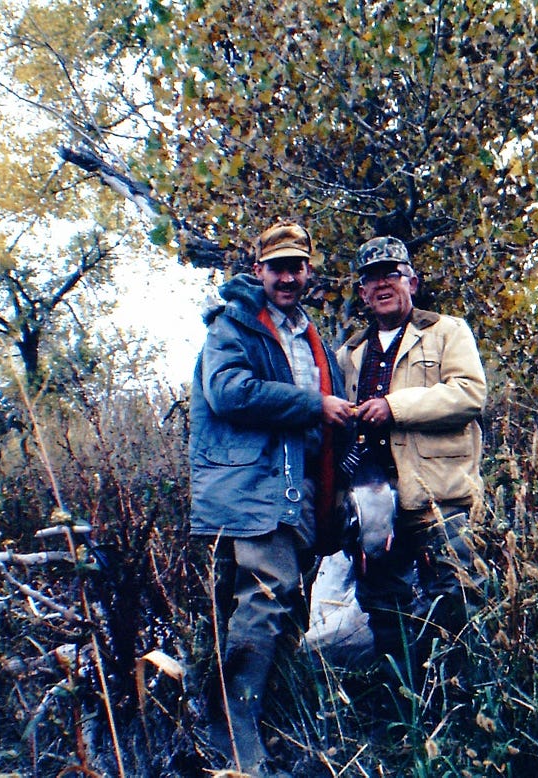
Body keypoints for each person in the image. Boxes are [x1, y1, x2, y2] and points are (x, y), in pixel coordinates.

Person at [188, 220, 353, 777]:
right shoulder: (231, 325)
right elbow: (228, 392)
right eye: (277, 266)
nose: (288, 276)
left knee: (285, 603)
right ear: (258, 270)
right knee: (265, 597)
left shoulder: (311, 334)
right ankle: (237, 740)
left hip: (297, 489)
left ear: (308, 271)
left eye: (297, 265)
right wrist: (312, 404)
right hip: (251, 488)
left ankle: (265, 719)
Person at [336, 235, 487, 713]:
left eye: (391, 275)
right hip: (375, 502)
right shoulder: (350, 353)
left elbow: (468, 394)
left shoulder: (448, 332)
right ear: (362, 293)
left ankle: (463, 703)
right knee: (383, 600)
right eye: (372, 279)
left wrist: (394, 408)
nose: (382, 284)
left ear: (412, 283)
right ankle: (406, 704)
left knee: (458, 592)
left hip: (439, 494)